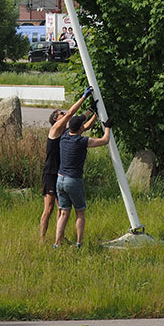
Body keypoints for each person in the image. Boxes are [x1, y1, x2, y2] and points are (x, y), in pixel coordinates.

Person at [39, 86, 94, 242]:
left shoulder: (67, 132)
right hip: (51, 172)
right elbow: (71, 114)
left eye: (62, 113)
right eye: (60, 114)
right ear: (56, 119)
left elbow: (83, 125)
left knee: (61, 209)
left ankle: (60, 238)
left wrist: (92, 111)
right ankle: (42, 239)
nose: (64, 114)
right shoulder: (55, 129)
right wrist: (83, 97)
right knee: (48, 209)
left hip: (61, 174)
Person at [53, 110, 113, 248]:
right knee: (79, 212)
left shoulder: (64, 136)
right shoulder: (82, 141)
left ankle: (57, 243)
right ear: (81, 128)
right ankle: (79, 243)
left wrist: (92, 114)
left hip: (60, 180)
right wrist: (108, 127)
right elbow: (105, 140)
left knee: (63, 213)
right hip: (73, 180)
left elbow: (81, 125)